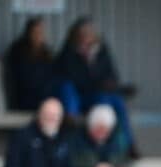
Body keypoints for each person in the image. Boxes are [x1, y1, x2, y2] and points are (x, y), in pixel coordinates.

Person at [55, 17, 139, 157]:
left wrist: (108, 82)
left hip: (98, 94)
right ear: (76, 35)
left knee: (117, 102)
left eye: (89, 33)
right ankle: (76, 126)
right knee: (70, 88)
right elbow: (73, 78)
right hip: (79, 96)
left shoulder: (102, 51)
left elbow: (112, 74)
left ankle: (128, 144)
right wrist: (88, 63)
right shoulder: (68, 52)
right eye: (83, 34)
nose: (86, 37)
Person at [4, 16, 56, 111]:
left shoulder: (46, 53)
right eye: (35, 32)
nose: (38, 36)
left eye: (40, 33)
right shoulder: (18, 51)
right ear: (28, 33)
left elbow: (51, 76)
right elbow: (21, 79)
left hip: (44, 96)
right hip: (24, 97)